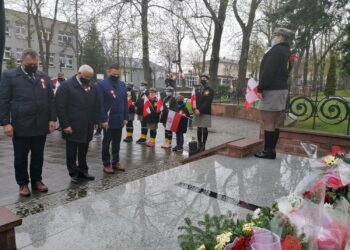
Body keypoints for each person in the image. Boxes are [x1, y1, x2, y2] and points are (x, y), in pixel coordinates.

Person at [0, 48, 56, 196]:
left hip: (40, 124)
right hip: (21, 125)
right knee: (20, 157)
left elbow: (51, 99)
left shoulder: (43, 76)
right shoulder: (10, 76)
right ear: (22, 61)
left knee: (38, 155)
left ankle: (37, 180)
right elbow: (3, 100)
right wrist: (6, 123)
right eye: (29, 64)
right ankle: (23, 183)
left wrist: (52, 119)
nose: (33, 66)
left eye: (35, 64)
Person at [254, 28, 294, 160]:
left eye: (275, 36)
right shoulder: (288, 52)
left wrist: (260, 88)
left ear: (281, 37)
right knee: (275, 122)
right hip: (282, 89)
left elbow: (268, 71)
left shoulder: (276, 50)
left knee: (268, 121)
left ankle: (268, 151)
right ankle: (272, 150)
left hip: (272, 89)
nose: (274, 38)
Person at [55, 65, 99, 183]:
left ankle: (83, 171)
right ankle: (73, 172)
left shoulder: (92, 86)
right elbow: (60, 107)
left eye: (90, 77)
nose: (88, 79)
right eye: (86, 77)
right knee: (72, 151)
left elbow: (95, 105)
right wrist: (65, 125)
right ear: (79, 73)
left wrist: (95, 121)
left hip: (87, 124)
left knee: (84, 150)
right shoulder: (66, 86)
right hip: (72, 124)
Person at [97, 64, 128, 174]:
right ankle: (106, 163)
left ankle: (115, 161)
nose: (116, 75)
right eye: (114, 73)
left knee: (117, 142)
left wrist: (125, 117)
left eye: (118, 74)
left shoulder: (122, 84)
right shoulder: (101, 84)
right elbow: (100, 103)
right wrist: (103, 119)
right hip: (108, 119)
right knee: (106, 142)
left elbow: (125, 101)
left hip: (119, 118)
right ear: (108, 72)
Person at [193, 73, 214, 152]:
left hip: (205, 111)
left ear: (207, 80)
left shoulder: (210, 90)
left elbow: (208, 102)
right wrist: (195, 109)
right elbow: (194, 100)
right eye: (202, 78)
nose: (203, 79)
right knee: (199, 128)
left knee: (204, 128)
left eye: (205, 78)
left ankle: (203, 145)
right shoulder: (197, 89)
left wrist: (200, 110)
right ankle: (199, 144)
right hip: (197, 111)